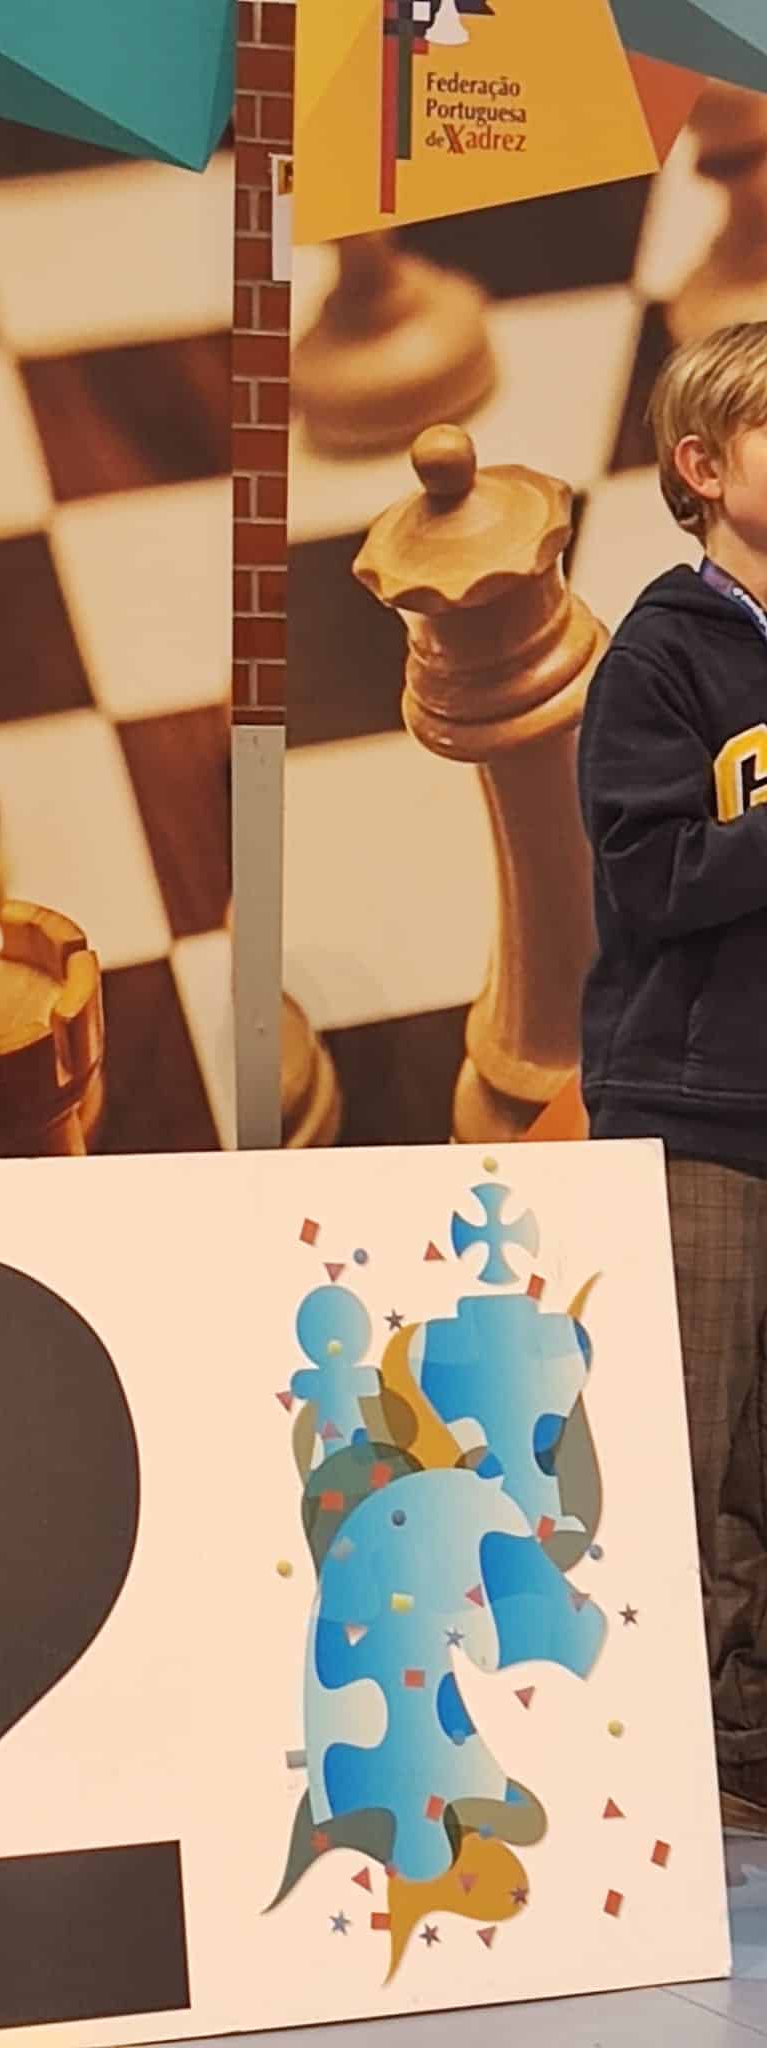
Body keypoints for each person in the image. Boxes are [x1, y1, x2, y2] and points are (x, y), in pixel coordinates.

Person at [579, 321, 767, 1833]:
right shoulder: (658, 654)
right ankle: (674, 1768)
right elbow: (651, 878)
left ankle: (749, 1745)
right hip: (695, 1110)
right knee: (687, 1458)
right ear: (701, 468)